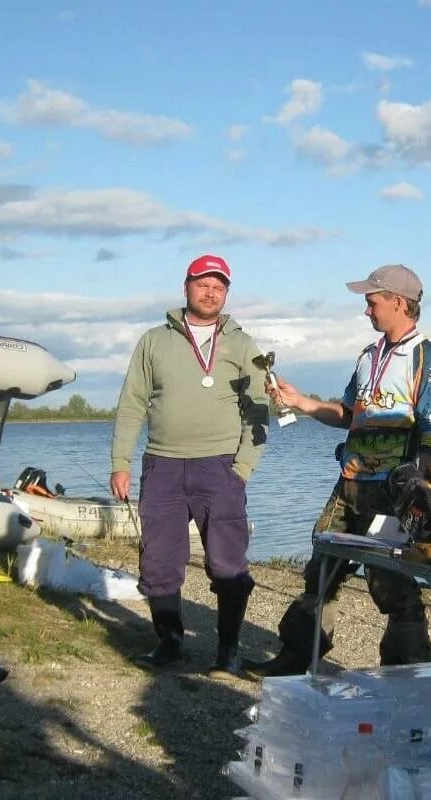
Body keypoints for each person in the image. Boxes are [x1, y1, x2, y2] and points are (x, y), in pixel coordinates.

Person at [242, 264, 431, 679]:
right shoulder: (368, 356)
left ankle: (411, 671)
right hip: (350, 483)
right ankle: (296, 658)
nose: (367, 310)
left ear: (398, 301)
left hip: (393, 493)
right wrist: (301, 401)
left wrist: (418, 493)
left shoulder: (428, 360)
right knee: (322, 570)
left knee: (392, 582)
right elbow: (347, 414)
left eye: (372, 301)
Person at [110, 254, 269, 678]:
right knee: (159, 561)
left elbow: (259, 408)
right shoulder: (153, 341)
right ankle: (170, 644)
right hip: (162, 465)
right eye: (203, 283)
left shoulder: (242, 344)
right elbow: (131, 405)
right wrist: (120, 462)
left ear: (227, 292)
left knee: (227, 563)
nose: (211, 291)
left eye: (219, 285)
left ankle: (228, 652)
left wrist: (244, 467)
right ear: (187, 286)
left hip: (220, 468)